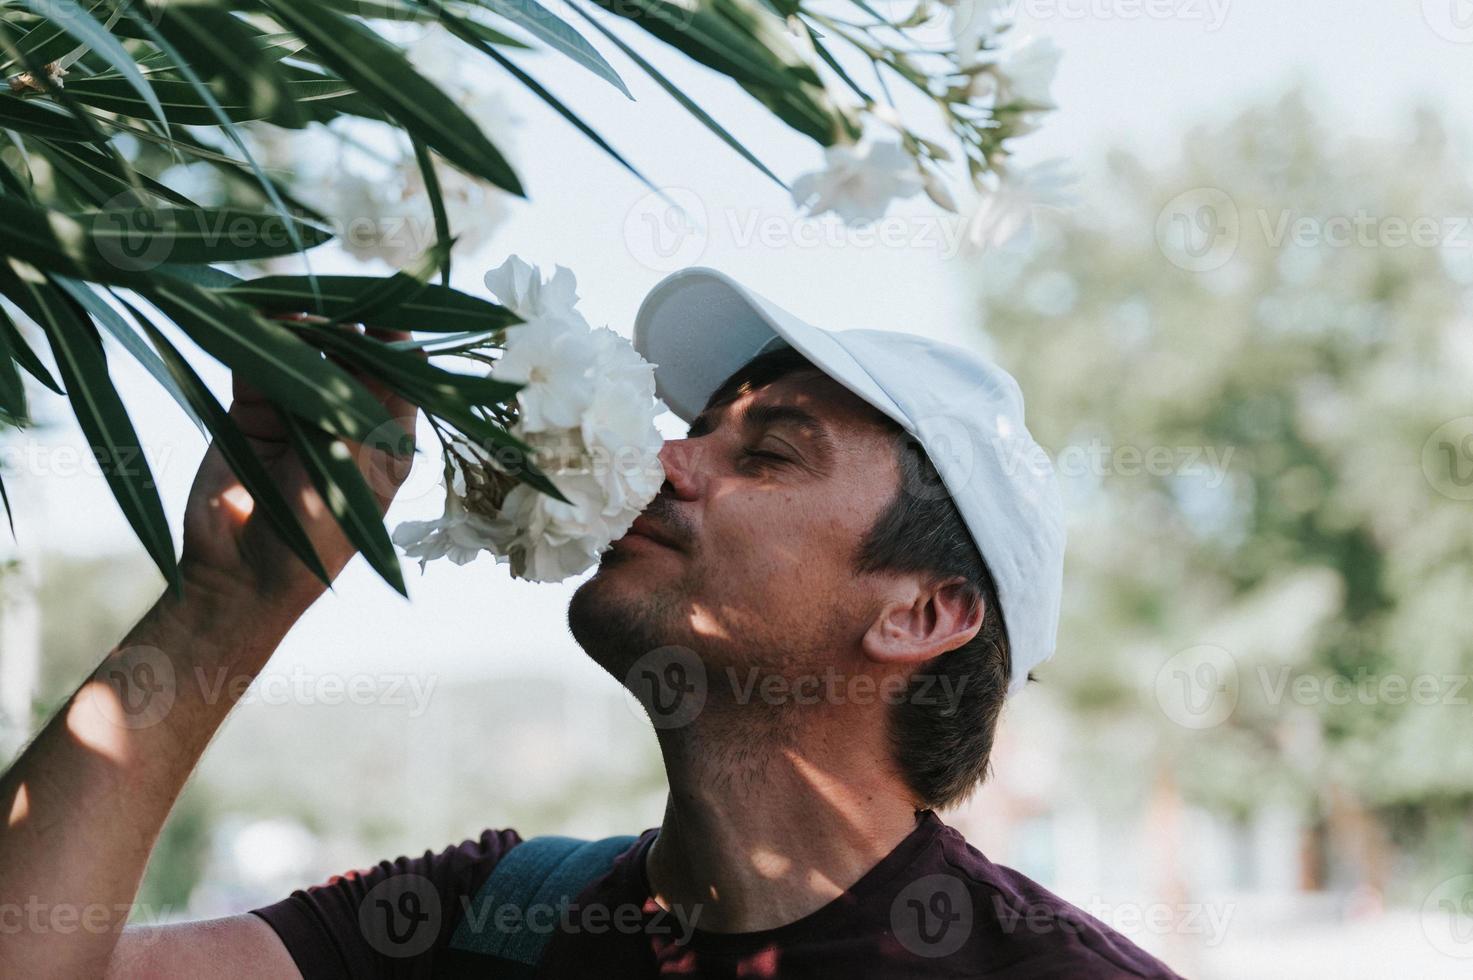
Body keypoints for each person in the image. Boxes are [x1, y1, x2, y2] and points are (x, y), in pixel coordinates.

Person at [0, 269, 1184, 978]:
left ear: (924, 612)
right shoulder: (481, 919)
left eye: (764, 455)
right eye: (698, 424)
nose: (666, 456)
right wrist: (229, 598)